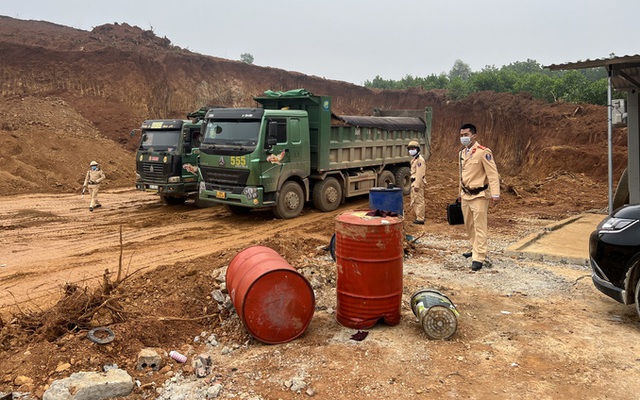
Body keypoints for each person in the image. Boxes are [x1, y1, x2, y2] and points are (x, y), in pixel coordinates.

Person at [458, 123, 500, 271]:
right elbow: (461, 175)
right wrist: (459, 193)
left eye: (466, 135)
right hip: (466, 194)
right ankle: (475, 247)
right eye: (461, 135)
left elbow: (492, 174)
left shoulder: (483, 152)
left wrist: (495, 194)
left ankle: (479, 256)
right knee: (469, 225)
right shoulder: (462, 153)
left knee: (480, 226)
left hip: (480, 195)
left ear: (474, 136)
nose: (463, 138)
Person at [408, 140, 426, 225]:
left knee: (418, 200)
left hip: (417, 181)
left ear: (417, 149)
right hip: (414, 181)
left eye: (413, 148)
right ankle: (418, 216)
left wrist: (417, 185)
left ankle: (420, 218)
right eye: (410, 148)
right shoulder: (415, 159)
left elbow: (420, 173)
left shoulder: (420, 160)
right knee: (415, 200)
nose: (411, 150)